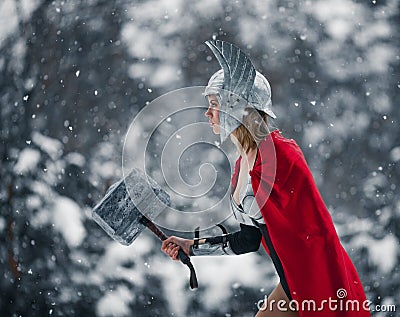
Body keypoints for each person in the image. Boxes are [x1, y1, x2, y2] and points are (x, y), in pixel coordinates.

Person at [161, 40, 371, 317]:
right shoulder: (241, 165)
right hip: (292, 286)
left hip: (318, 286)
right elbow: (249, 240)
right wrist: (193, 247)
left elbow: (316, 237)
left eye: (214, 104)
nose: (207, 113)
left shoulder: (282, 156)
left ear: (236, 107)